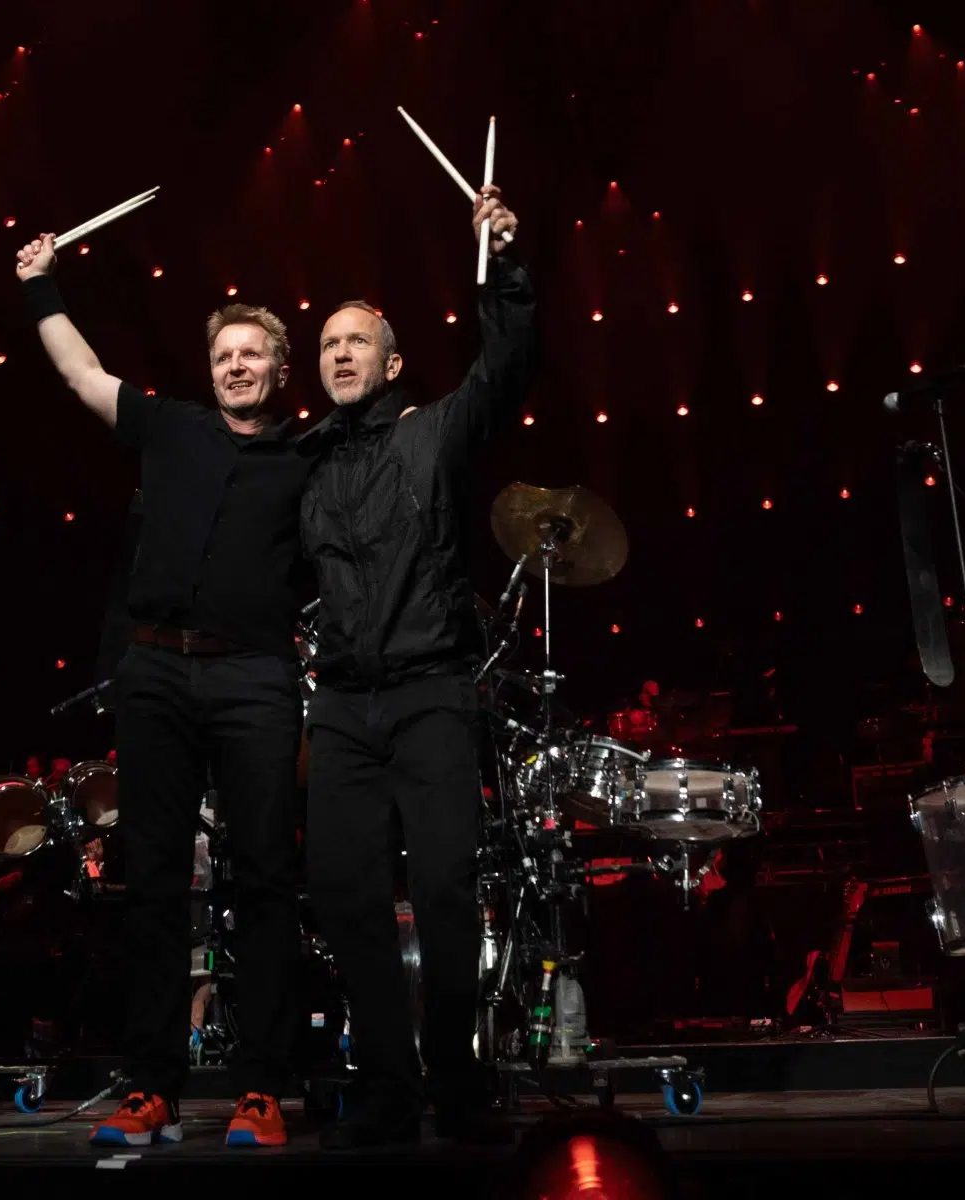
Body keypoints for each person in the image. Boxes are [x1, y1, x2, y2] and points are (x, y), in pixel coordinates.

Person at [15, 229, 313, 1147]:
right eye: (223, 354)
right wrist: (40, 286)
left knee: (263, 876)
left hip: (257, 674)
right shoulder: (173, 425)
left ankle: (260, 1088)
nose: (234, 365)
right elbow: (82, 373)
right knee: (150, 881)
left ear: (278, 370)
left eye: (251, 353)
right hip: (153, 670)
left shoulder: (309, 453)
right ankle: (152, 1083)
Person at [298, 185, 534, 1147]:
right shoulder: (302, 461)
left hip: (433, 690)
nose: (340, 353)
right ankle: (388, 1087)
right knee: (348, 899)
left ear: (392, 360)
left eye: (357, 341)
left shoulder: (432, 430)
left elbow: (509, 367)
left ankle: (459, 1081)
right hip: (344, 705)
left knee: (441, 889)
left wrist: (505, 268)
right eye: (327, 345)